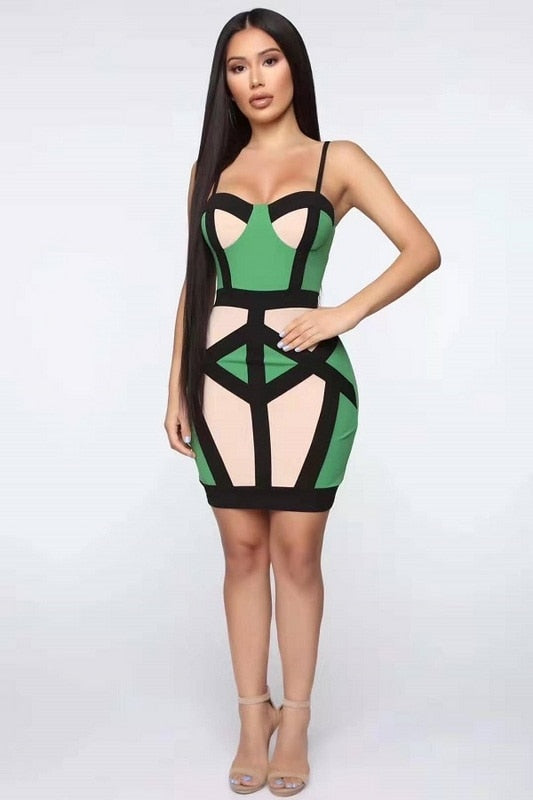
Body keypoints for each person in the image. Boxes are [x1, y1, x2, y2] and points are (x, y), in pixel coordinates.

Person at [164, 8, 440, 796]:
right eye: (237, 66)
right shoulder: (207, 170)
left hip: (308, 387)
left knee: (295, 555)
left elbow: (420, 249)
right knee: (240, 554)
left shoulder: (336, 160)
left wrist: (342, 313)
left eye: (268, 60)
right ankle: (252, 719)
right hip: (217, 381)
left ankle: (297, 719)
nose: (254, 79)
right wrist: (174, 385)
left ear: (294, 67)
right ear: (224, 82)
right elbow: (196, 282)